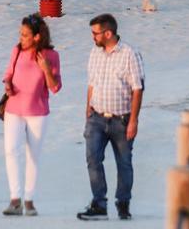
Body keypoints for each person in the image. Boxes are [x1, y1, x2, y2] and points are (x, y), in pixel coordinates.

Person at [78, 13, 144, 221]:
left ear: (108, 33)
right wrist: (88, 110)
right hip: (96, 117)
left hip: (121, 119)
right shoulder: (94, 53)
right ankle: (99, 204)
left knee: (124, 162)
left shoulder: (129, 54)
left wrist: (133, 120)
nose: (93, 37)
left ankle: (123, 203)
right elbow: (91, 83)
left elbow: (137, 89)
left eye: (95, 33)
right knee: (93, 159)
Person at [1, 13, 62, 217]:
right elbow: (8, 74)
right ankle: (15, 199)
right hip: (13, 109)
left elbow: (55, 88)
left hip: (38, 112)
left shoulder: (51, 56)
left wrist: (46, 69)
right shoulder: (16, 51)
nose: (21, 38)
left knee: (32, 156)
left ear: (37, 37)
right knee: (11, 151)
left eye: (25, 35)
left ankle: (29, 200)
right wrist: (8, 85)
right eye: (20, 33)